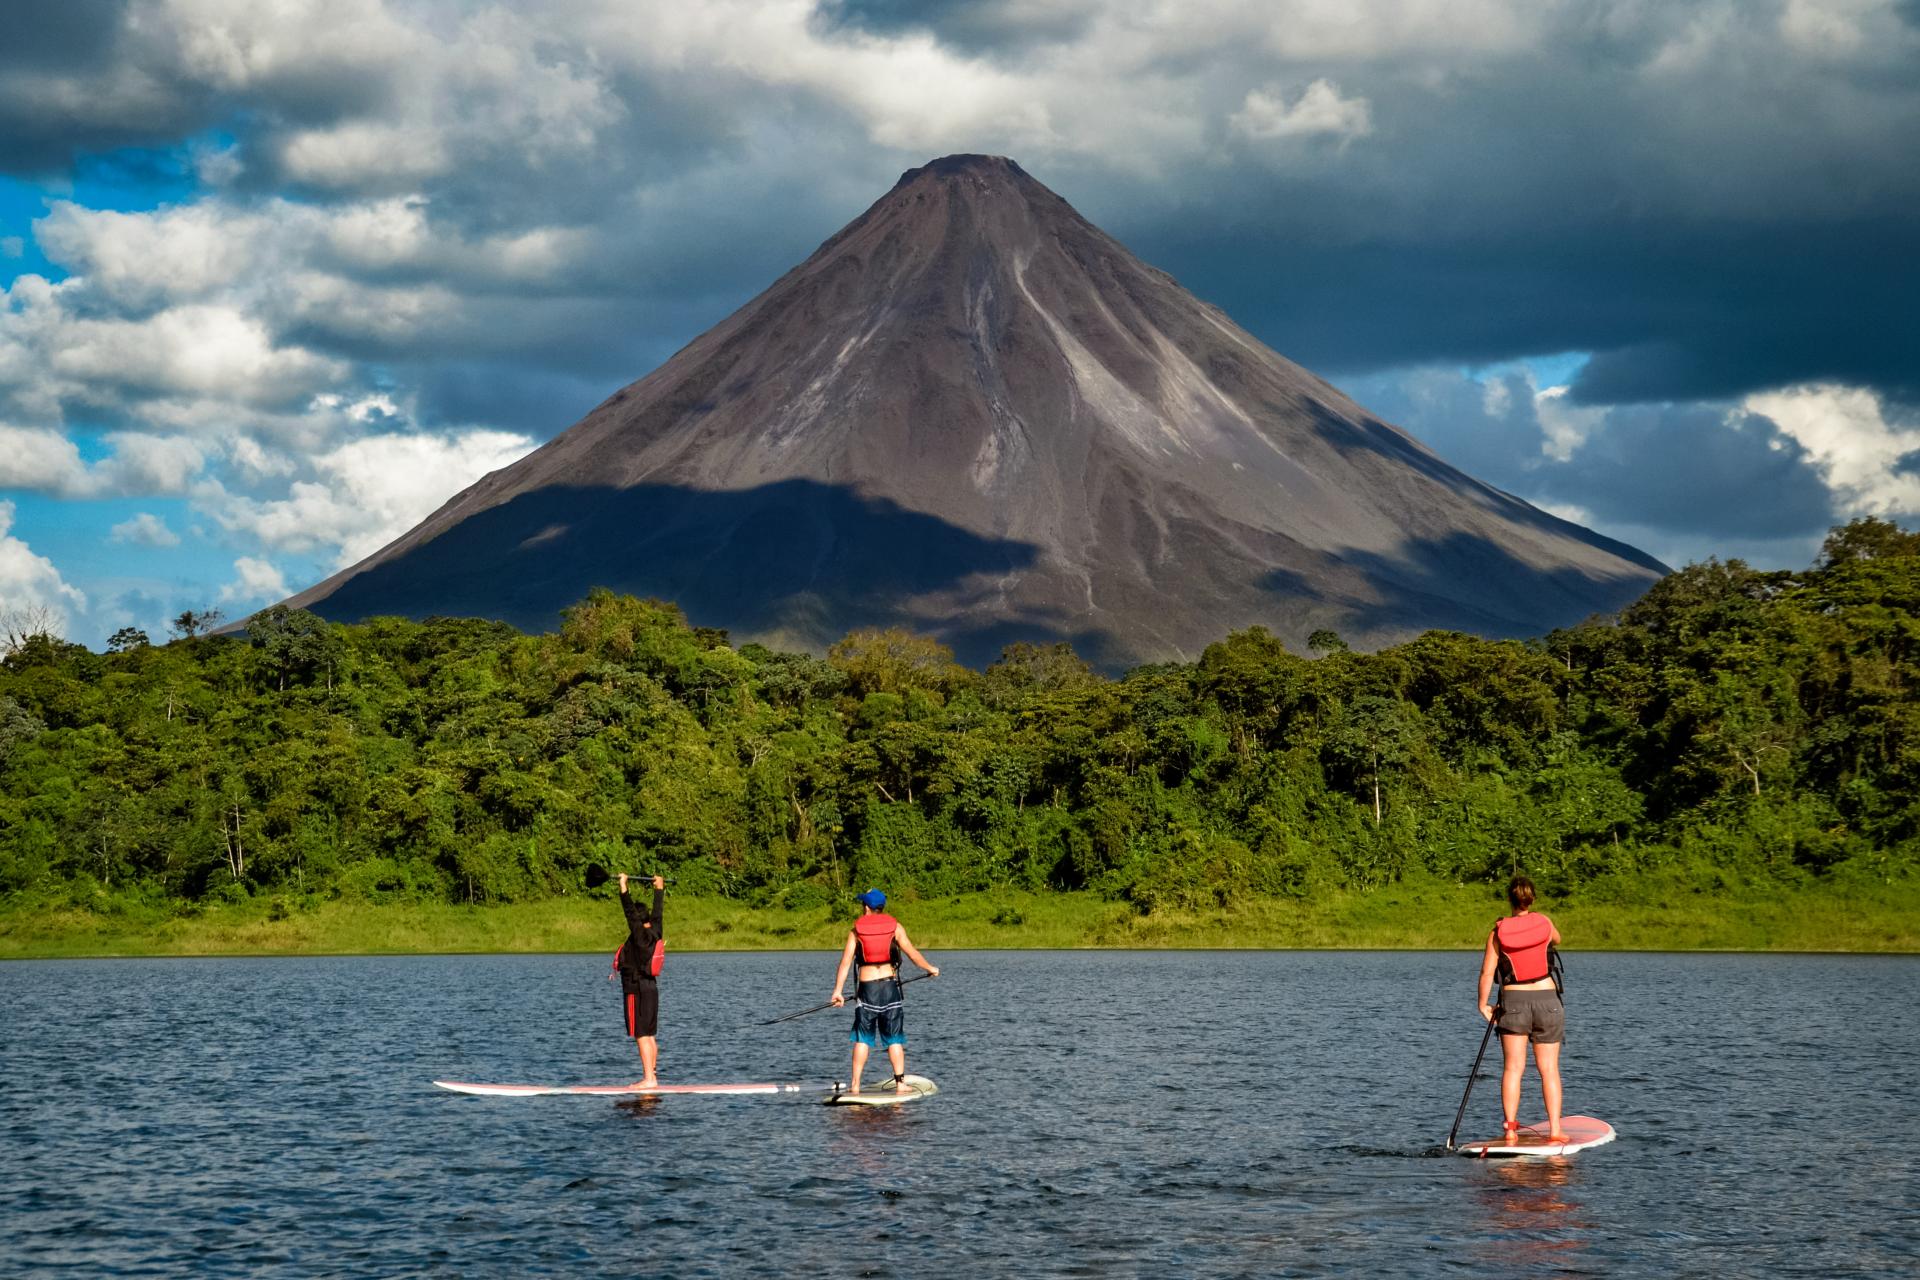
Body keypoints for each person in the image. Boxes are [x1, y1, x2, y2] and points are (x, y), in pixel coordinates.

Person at [1477, 875, 1567, 1142]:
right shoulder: (1545, 923)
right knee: (1549, 1068)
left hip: (1513, 1003)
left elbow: (1486, 972)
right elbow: (1557, 940)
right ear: (1532, 899)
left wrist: (1483, 1004)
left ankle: (1511, 1133)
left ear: (1509, 900)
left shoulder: (1497, 931)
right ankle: (1555, 1131)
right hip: (1548, 1000)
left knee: (1513, 1069)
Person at [829, 888, 939, 1094]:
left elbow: (845, 963)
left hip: (868, 990)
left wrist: (838, 992)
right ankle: (900, 1083)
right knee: (894, 1037)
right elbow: (914, 955)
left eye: (863, 905)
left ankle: (855, 1085)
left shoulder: (855, 931)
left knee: (863, 1037)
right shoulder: (896, 927)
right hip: (890, 989)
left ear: (867, 908)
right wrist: (930, 969)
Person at [617, 873, 665, 1087]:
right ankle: (653, 1076)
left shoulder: (639, 935)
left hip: (637, 989)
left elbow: (630, 913)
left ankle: (648, 1080)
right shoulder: (655, 931)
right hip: (651, 988)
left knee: (641, 1035)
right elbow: (658, 914)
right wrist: (659, 890)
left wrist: (623, 887)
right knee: (649, 1035)